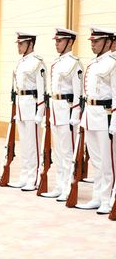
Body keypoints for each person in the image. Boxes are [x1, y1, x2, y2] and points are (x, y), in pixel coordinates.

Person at [75, 27, 116, 214]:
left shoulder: (113, 63)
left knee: (108, 161)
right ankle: (97, 196)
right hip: (91, 115)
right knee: (97, 160)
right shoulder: (92, 64)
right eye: (91, 41)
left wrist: (114, 119)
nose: (93, 44)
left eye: (96, 41)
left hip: (105, 114)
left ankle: (108, 200)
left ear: (108, 42)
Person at [40, 28, 82, 201]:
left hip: (67, 110)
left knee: (67, 151)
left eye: (60, 41)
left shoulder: (74, 63)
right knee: (57, 151)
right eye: (56, 41)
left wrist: (76, 113)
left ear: (70, 42)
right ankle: (60, 185)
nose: (56, 43)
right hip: (56, 110)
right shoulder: (56, 63)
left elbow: (78, 92)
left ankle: (68, 187)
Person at [8, 32, 46, 191]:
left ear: (30, 44)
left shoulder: (38, 63)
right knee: (24, 144)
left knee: (33, 144)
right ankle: (24, 176)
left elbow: (42, 89)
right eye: (18, 43)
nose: (18, 46)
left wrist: (40, 111)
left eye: (21, 44)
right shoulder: (20, 62)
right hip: (21, 105)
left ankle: (34, 178)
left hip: (32, 105)